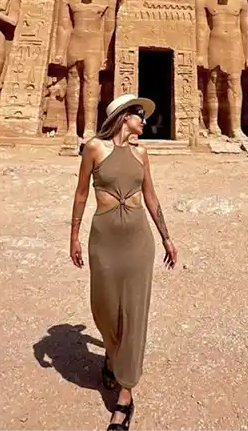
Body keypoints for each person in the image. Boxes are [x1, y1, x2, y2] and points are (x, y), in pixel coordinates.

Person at [70, 93, 178, 430]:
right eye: (138, 116)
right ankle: (112, 356)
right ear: (122, 118)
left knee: (133, 310)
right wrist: (73, 236)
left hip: (137, 239)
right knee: (104, 307)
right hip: (103, 237)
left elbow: (151, 196)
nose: (143, 122)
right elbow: (81, 194)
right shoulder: (93, 149)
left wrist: (166, 237)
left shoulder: (141, 153)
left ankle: (125, 397)